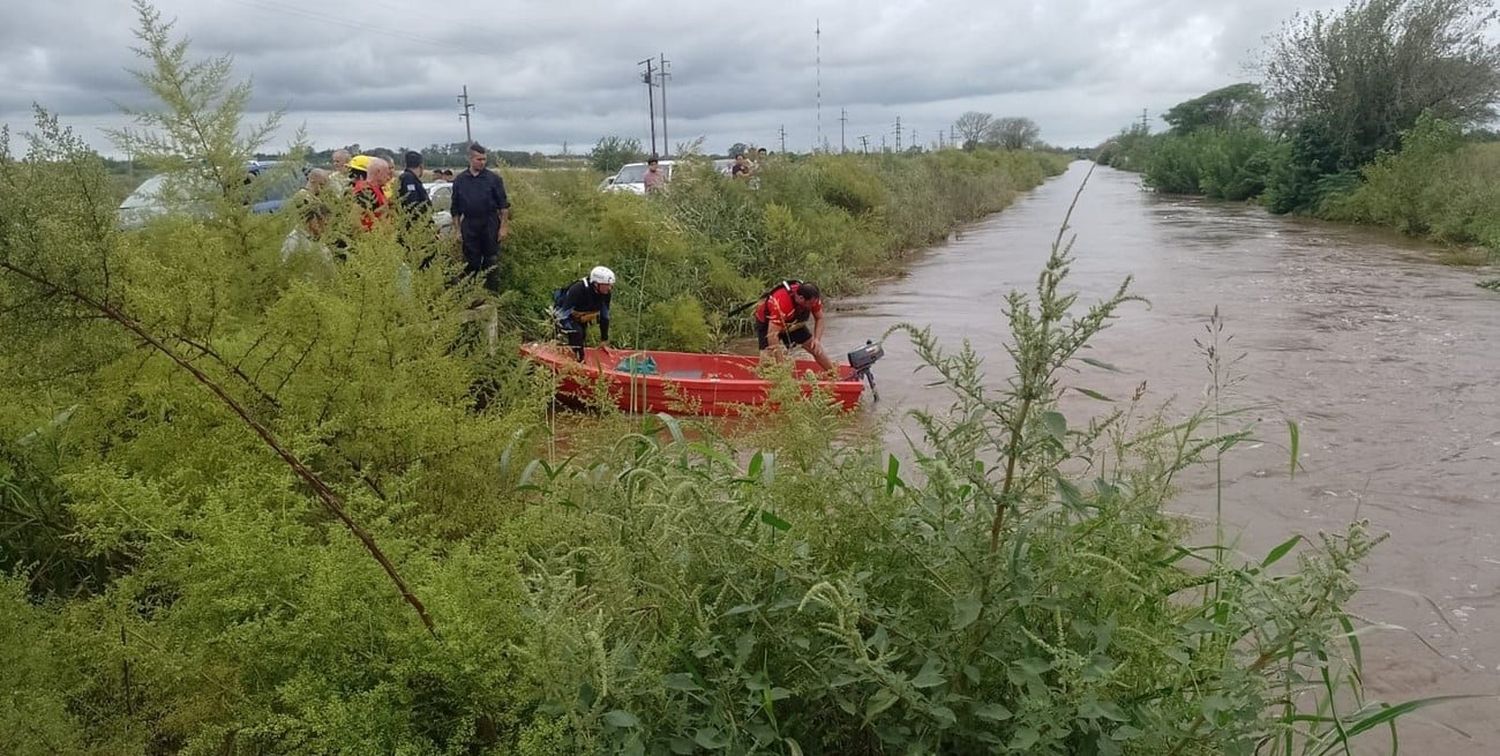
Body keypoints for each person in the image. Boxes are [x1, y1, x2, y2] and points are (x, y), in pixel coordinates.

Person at [450, 142, 510, 292]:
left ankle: (492, 293)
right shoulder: (460, 180)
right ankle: (471, 294)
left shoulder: (493, 179)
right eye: (478, 159)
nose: (482, 162)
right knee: (471, 261)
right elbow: (455, 208)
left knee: (491, 260)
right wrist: (457, 230)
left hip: (489, 222)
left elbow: (503, 206)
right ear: (470, 159)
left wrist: (503, 227)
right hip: (469, 223)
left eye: (484, 159)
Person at [754, 280, 833, 371]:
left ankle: (834, 376)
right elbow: (772, 335)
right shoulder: (781, 303)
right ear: (801, 298)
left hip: (792, 322)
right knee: (767, 361)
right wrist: (781, 363)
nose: (813, 306)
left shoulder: (813, 299)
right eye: (810, 304)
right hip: (768, 324)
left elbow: (819, 318)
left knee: (816, 349)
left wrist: (817, 340)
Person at [554, 266, 614, 360]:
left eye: (610, 285)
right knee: (577, 334)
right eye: (607, 285)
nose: (610, 288)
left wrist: (604, 339)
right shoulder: (578, 290)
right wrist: (566, 331)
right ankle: (577, 360)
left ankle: (576, 354)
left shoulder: (606, 293)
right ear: (596, 283)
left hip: (582, 317)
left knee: (581, 337)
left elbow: (604, 316)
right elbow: (561, 315)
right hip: (565, 315)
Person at [349, 155, 389, 231]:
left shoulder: (377, 189)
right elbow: (355, 217)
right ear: (378, 172)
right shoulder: (365, 191)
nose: (388, 177)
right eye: (387, 173)